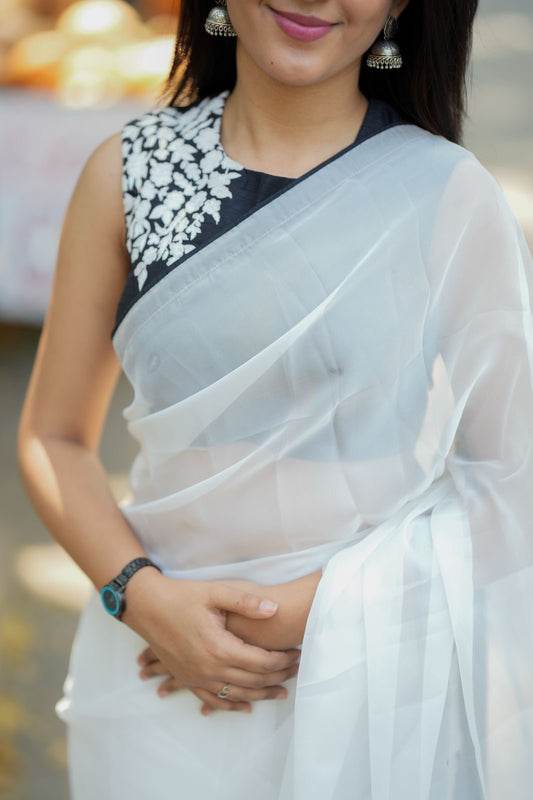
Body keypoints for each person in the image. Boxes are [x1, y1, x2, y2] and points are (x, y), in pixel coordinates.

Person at [17, 0, 533, 797]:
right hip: (158, 676)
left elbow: (510, 479)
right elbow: (53, 436)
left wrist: (295, 615)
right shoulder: (127, 172)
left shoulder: (443, 192)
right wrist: (142, 597)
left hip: (376, 672)